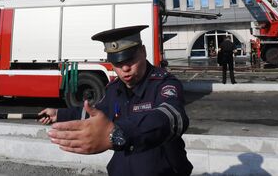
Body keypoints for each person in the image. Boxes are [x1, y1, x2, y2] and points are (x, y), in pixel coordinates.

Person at [39, 25, 193, 176]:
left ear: (144, 51)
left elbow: (173, 117)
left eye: (130, 59)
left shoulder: (164, 83)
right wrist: (59, 114)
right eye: (118, 63)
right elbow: (97, 114)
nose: (125, 68)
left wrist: (117, 134)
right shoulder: (113, 89)